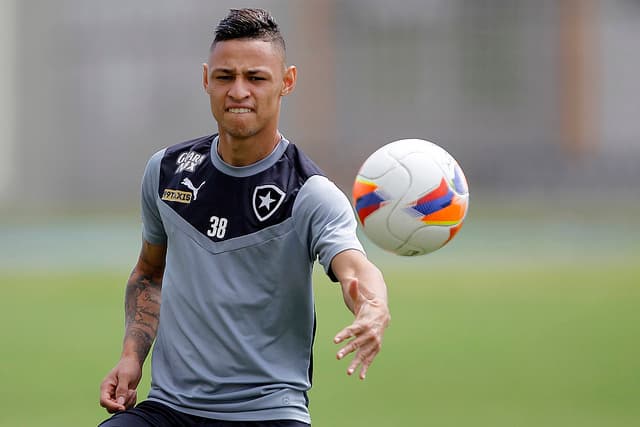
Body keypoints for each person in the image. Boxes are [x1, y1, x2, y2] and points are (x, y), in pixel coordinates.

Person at [98, 8, 390, 427]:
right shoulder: (165, 172)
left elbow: (355, 269)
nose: (238, 91)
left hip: (268, 413)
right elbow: (149, 273)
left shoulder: (309, 193)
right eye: (224, 77)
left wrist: (374, 307)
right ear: (206, 79)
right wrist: (131, 357)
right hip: (169, 408)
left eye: (255, 78)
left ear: (286, 82)